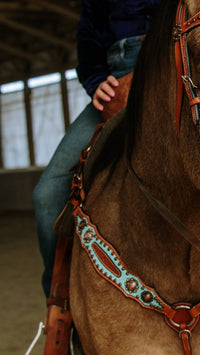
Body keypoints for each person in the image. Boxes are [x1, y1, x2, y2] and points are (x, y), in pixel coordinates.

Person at [32, 0, 160, 298]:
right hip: (116, 81)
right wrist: (96, 82)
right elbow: (88, 43)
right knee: (47, 195)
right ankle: (60, 299)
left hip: (174, 69)